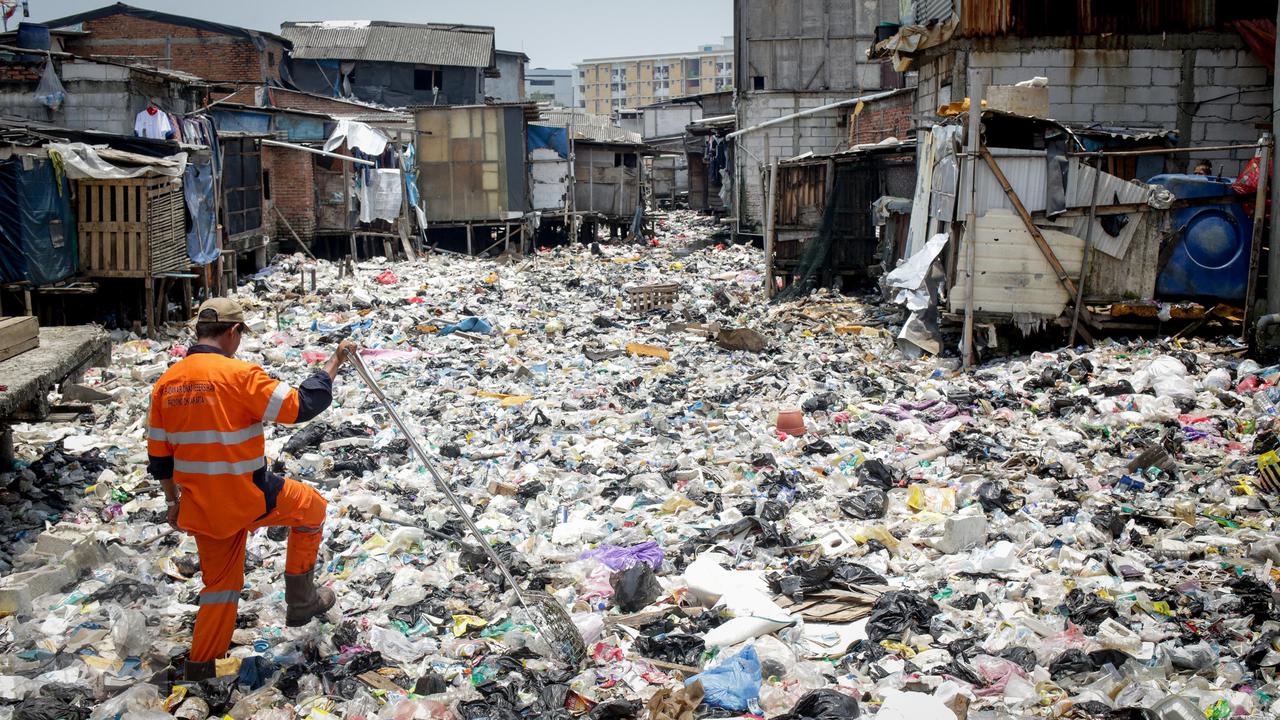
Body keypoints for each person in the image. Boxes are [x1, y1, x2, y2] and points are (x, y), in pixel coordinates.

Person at [146, 297, 357, 681]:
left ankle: (202, 667)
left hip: (201, 505)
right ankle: (301, 600)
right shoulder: (240, 376)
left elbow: (159, 458)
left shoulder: (166, 384)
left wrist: (172, 502)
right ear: (232, 332)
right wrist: (334, 363)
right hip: (249, 496)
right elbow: (301, 405)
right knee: (312, 509)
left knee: (220, 587)